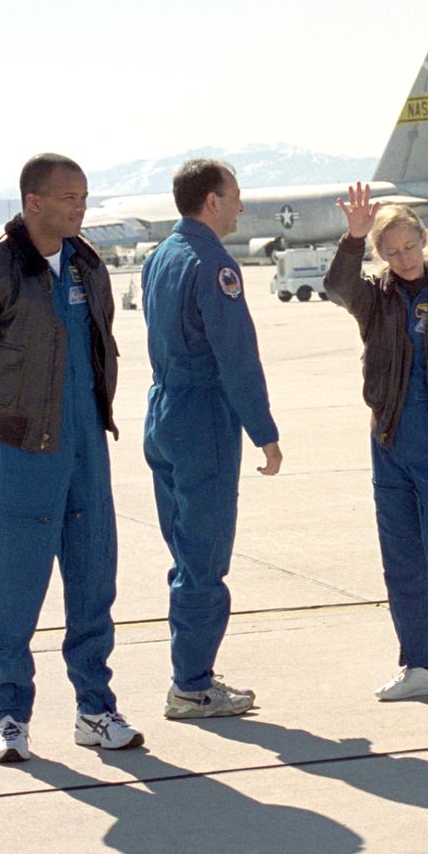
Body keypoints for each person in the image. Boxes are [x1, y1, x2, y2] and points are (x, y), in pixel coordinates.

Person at [0, 153, 142, 762]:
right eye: (67, 197)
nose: (79, 207)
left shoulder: (88, 266)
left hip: (86, 448)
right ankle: (11, 717)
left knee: (94, 576)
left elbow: (102, 348)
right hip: (21, 451)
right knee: (17, 585)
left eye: (84, 196)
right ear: (34, 203)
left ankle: (95, 709)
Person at [324, 183, 428, 713]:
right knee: (401, 562)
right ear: (381, 255)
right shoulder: (374, 300)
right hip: (389, 441)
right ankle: (419, 666)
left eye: (410, 247)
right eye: (391, 251)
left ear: (425, 240)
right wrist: (353, 237)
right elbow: (336, 286)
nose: (404, 258)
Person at [142, 159, 282, 718]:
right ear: (212, 201)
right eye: (236, 196)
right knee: (204, 556)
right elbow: (236, 355)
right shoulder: (213, 263)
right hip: (202, 415)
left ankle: (191, 669)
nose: (241, 206)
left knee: (184, 550)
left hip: (164, 410)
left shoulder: (161, 257)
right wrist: (264, 431)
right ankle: (192, 684)